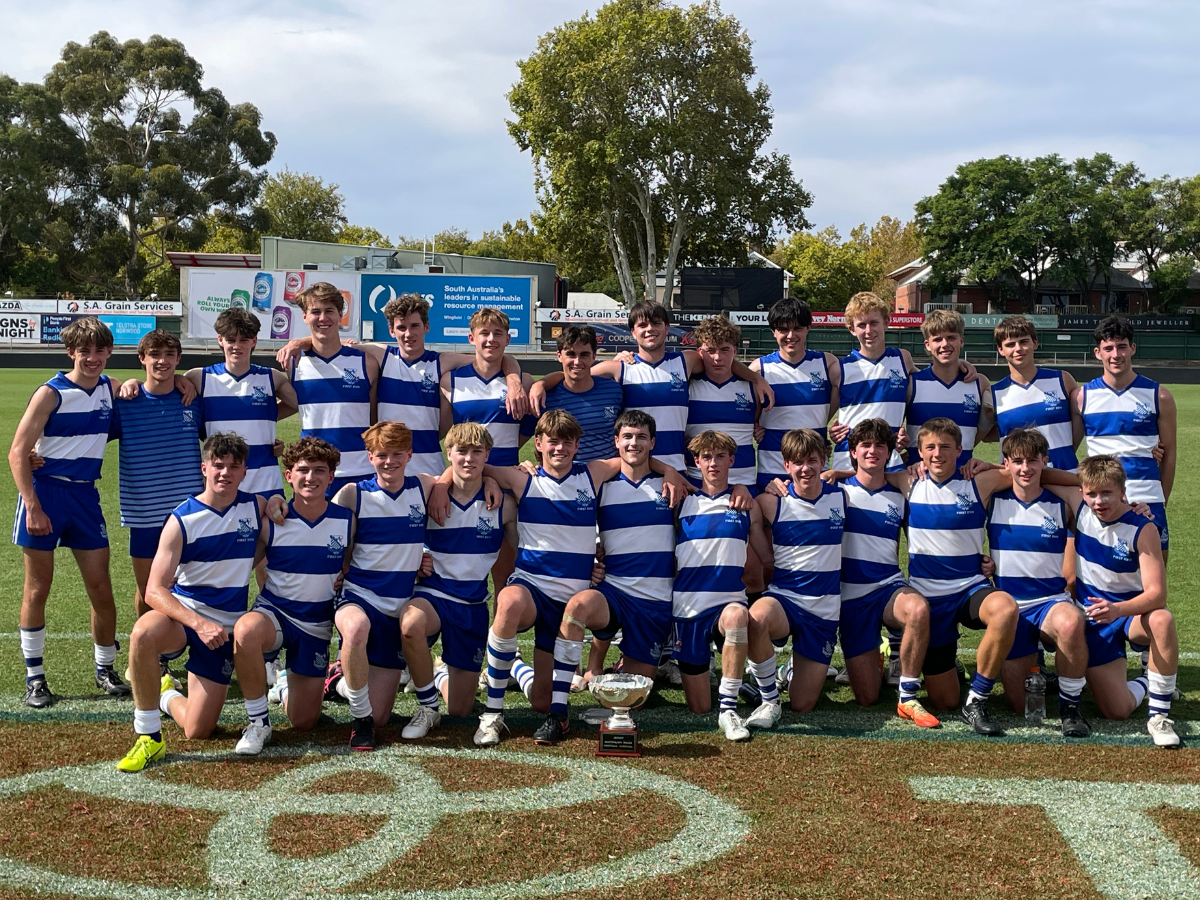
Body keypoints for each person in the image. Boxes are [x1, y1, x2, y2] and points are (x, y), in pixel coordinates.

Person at [473, 409, 686, 747]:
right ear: (538, 444)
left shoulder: (593, 474)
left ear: (577, 446)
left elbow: (635, 457)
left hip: (568, 601)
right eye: (552, 442)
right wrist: (487, 480)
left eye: (567, 442)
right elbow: (474, 467)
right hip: (532, 589)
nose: (560, 448)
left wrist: (671, 470)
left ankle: (518, 670)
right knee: (508, 602)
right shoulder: (522, 479)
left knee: (540, 700)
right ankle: (493, 715)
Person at [116, 433, 268, 772]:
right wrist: (198, 623)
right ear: (204, 468)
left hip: (226, 628)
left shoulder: (256, 507)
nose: (225, 473)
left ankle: (165, 694)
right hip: (186, 618)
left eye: (234, 466)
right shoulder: (181, 519)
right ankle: (148, 737)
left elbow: (271, 543)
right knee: (142, 634)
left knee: (198, 730)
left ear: (245, 471)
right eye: (218, 465)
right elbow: (154, 590)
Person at [784, 419, 939, 726]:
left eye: (880, 445)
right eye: (865, 445)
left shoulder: (901, 491)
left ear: (889, 452)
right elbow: (797, 491)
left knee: (918, 609)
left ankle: (907, 696)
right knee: (867, 697)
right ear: (853, 452)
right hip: (850, 599)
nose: (872, 451)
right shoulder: (834, 491)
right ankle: (877, 655)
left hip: (887, 587)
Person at [9, 317, 128, 707]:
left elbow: (143, 391)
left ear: (109, 352)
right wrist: (33, 506)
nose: (92, 358)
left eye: (100, 351)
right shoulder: (51, 393)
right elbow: (17, 452)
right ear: (70, 352)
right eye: (84, 351)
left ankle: (105, 668)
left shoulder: (111, 388)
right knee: (37, 588)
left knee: (101, 588)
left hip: (85, 497)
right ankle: (35, 678)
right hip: (46, 493)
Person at [278, 292, 527, 476]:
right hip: (388, 468)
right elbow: (328, 340)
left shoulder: (441, 362)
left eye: (415, 326)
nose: (409, 334)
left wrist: (514, 380)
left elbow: (492, 357)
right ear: (391, 331)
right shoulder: (381, 355)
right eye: (401, 327)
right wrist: (298, 342)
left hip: (430, 467)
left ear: (426, 326)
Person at [543, 410, 677, 734]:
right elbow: (571, 524)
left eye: (641, 437)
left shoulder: (671, 485)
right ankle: (558, 710)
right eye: (627, 436)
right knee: (578, 607)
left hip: (654, 603)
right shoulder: (600, 485)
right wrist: (590, 556)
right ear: (616, 441)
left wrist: (672, 470)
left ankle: (617, 666)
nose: (634, 443)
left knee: (632, 699)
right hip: (614, 591)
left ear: (653, 442)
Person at [529, 300, 774, 472]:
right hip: (636, 469)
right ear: (632, 332)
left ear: (666, 328)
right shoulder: (618, 368)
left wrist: (757, 379)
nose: (650, 329)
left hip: (678, 469)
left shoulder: (686, 361)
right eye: (642, 325)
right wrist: (540, 383)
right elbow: (574, 372)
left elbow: (722, 361)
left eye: (656, 323)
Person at [894, 418, 1024, 735]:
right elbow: (865, 475)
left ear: (959, 450)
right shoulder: (907, 482)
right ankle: (953, 667)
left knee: (1005, 608)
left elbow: (1029, 472)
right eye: (930, 447)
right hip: (929, 600)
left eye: (945, 447)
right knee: (945, 701)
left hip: (970, 589)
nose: (937, 454)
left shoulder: (978, 482)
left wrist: (991, 464)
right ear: (920, 452)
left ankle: (977, 699)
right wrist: (833, 474)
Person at [331, 422, 449, 751]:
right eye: (381, 455)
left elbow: (458, 472)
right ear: (370, 457)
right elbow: (326, 530)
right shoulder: (353, 494)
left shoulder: (423, 486)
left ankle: (338, 680)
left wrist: (443, 485)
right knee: (355, 628)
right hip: (359, 596)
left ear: (410, 454)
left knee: (382, 714)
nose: (389, 461)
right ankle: (361, 723)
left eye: (397, 454)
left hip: (397, 609)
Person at [231, 438, 354, 755]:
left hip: (315, 624)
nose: (310, 477)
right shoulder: (272, 521)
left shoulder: (346, 520)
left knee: (303, 722)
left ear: (331, 476)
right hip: (276, 612)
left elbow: (354, 563)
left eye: (319, 470)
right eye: (303, 470)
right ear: (289, 476)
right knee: (245, 631)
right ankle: (258, 723)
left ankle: (284, 683)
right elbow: (237, 566)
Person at [404, 422, 515, 738]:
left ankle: (438, 674)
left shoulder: (504, 505)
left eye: (477, 452)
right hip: (433, 594)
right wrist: (414, 558)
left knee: (461, 710)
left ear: (487, 455)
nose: (469, 458)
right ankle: (427, 706)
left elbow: (528, 549)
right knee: (410, 624)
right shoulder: (427, 492)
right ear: (448, 453)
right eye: (461, 451)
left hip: (472, 605)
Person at [121, 307, 296, 498]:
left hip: (265, 483)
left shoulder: (272, 378)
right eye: (231, 340)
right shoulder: (199, 377)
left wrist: (264, 419)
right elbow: (161, 387)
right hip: (221, 485)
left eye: (244, 340)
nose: (237, 346)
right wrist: (135, 382)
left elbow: (301, 404)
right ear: (220, 339)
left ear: (254, 341)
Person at [985, 428, 1091, 738]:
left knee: (1072, 622)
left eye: (1033, 461)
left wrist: (1135, 508)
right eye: (1017, 461)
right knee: (1021, 705)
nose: (1025, 469)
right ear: (1006, 463)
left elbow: (1100, 499)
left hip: (1050, 602)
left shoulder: (1062, 501)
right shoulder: (991, 499)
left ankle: (1070, 707)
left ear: (1045, 461)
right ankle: (1044, 670)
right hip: (1010, 609)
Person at [673, 430, 771, 742]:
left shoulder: (746, 504)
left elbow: (766, 557)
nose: (713, 463)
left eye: (720, 456)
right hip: (688, 611)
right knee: (699, 707)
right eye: (706, 457)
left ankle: (728, 709)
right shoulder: (681, 501)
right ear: (696, 462)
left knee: (738, 617)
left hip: (727, 604)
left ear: (732, 460)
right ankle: (737, 684)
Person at [1074, 456, 1180, 747]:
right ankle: (1149, 680)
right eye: (1092, 493)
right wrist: (987, 467)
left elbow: (1157, 594)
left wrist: (1116, 610)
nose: (1099, 501)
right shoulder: (1079, 508)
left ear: (1123, 491)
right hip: (1094, 619)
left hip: (1130, 614)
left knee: (1162, 619)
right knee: (1116, 710)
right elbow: (1036, 475)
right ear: (1081, 492)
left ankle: (1159, 715)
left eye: (1107, 493)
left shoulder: (1143, 527)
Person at [743, 427, 842, 727]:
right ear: (786, 466)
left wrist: (841, 471)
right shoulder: (772, 501)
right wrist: (767, 558)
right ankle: (769, 700)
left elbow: (874, 477)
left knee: (802, 705)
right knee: (756, 617)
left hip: (823, 610)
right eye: (797, 462)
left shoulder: (842, 497)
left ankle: (787, 671)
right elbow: (748, 513)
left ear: (823, 461)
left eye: (812, 461)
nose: (805, 468)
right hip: (785, 599)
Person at [111, 330, 205, 625]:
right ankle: (148, 648)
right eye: (154, 355)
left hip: (189, 513)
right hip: (144, 515)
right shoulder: (125, 403)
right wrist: (38, 450)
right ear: (142, 358)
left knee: (192, 589)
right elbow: (86, 432)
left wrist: (270, 446)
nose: (162, 361)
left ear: (178, 359)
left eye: (169, 355)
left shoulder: (192, 400)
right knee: (149, 591)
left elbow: (222, 438)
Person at [441, 306, 535, 589]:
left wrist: (497, 464)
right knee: (463, 567)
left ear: (508, 339)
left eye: (498, 333)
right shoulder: (451, 381)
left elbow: (526, 431)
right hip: (465, 484)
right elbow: (445, 432)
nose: (491, 339)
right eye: (484, 333)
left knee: (507, 573)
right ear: (472, 338)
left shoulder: (524, 382)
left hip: (507, 485)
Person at [1077, 315, 1176, 558]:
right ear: (1097, 353)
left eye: (1121, 346)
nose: (1116, 354)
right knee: (1102, 572)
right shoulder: (1081, 397)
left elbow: (1170, 454)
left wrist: (1161, 499)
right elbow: (1067, 448)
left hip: (1148, 499)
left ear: (1132, 348)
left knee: (1154, 574)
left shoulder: (1159, 396)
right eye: (1108, 348)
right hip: (1101, 500)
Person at [289, 282, 379, 497]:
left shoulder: (367, 362)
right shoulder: (293, 363)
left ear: (340, 315)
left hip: (361, 473)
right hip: (314, 475)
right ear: (304, 316)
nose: (322, 318)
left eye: (329, 311)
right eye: (315, 312)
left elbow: (376, 418)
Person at [751, 297, 840, 491]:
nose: (791, 336)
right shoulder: (759, 369)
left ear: (808, 328)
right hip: (773, 472)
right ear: (773, 331)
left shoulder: (827, 363)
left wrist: (822, 426)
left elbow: (837, 403)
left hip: (814, 471)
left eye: (797, 328)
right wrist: (755, 428)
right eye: (783, 329)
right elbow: (748, 415)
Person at [988, 315, 1081, 472]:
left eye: (1024, 342)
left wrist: (1065, 452)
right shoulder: (994, 393)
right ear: (1000, 350)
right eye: (1010, 344)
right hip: (1020, 480)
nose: (1018, 349)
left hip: (1065, 475)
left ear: (1035, 343)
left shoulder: (1062, 380)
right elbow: (985, 434)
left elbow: (1079, 422)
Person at [521, 324, 624, 463]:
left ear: (594, 356)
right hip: (563, 475)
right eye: (571, 354)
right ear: (559, 356)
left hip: (606, 475)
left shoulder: (613, 390)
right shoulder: (544, 397)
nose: (577, 362)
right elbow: (517, 442)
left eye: (584, 355)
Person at [906, 309, 992, 467]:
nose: (945, 344)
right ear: (927, 345)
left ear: (961, 341)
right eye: (938, 339)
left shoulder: (979, 384)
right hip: (920, 477)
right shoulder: (912, 384)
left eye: (951, 338)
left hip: (964, 477)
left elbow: (982, 430)